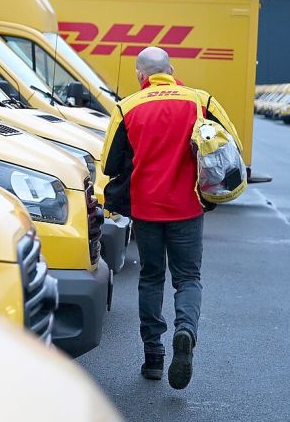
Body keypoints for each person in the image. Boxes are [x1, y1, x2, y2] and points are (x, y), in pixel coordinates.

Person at [100, 46, 241, 390]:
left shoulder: (127, 107)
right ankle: (185, 332)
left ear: (140, 76)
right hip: (188, 207)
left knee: (151, 279)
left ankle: (153, 358)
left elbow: (109, 164)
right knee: (188, 278)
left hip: (147, 210)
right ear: (172, 69)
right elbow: (230, 143)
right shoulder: (199, 100)